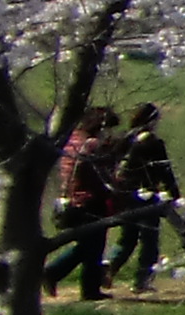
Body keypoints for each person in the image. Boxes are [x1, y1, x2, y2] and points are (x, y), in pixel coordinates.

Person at [108, 103, 178, 293]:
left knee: (126, 238)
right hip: (146, 195)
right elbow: (164, 169)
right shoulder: (153, 143)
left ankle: (108, 268)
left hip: (124, 195)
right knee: (149, 239)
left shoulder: (122, 139)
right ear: (152, 120)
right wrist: (173, 193)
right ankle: (141, 280)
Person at [55, 108, 123, 298]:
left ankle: (55, 274)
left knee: (87, 244)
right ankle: (87, 289)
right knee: (94, 245)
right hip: (90, 199)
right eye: (109, 128)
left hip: (73, 198)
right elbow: (101, 174)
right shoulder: (92, 145)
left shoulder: (72, 141)